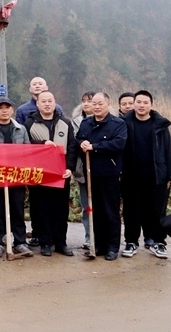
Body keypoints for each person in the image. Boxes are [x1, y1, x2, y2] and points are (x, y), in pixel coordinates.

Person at [121, 90, 171, 259]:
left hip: (156, 175)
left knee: (156, 210)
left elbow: (169, 151)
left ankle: (159, 242)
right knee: (131, 211)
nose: (141, 105)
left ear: (151, 105)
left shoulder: (160, 125)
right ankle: (131, 242)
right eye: (138, 102)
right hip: (131, 176)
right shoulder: (124, 123)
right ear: (133, 104)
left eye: (145, 102)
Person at [76, 92, 127, 261]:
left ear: (108, 105)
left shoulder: (118, 124)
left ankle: (112, 247)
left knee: (110, 210)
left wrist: (95, 147)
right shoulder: (86, 123)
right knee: (94, 210)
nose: (97, 107)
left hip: (109, 173)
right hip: (91, 173)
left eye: (100, 104)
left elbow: (118, 143)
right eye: (94, 104)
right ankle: (98, 244)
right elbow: (78, 140)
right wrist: (82, 143)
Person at [25, 91, 76, 256]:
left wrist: (70, 168)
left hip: (61, 174)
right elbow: (25, 145)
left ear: (55, 103)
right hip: (40, 174)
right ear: (37, 104)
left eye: (50, 101)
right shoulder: (29, 123)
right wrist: (42, 143)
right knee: (42, 210)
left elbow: (72, 147)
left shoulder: (65, 123)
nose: (47, 104)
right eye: (44, 101)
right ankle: (45, 243)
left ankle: (60, 243)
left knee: (61, 210)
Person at [0, 97, 34, 258]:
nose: (4, 111)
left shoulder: (21, 129)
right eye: (0, 108)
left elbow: (27, 151)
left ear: (12, 110)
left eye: (7, 107)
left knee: (17, 209)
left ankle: (20, 242)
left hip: (17, 176)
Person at [72, 91, 95, 249]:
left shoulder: (112, 121)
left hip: (103, 170)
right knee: (87, 206)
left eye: (90, 101)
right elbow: (73, 143)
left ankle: (104, 237)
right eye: (84, 101)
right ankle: (89, 236)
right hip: (83, 169)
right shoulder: (76, 122)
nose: (86, 104)